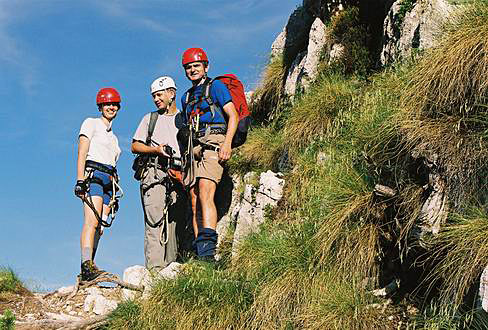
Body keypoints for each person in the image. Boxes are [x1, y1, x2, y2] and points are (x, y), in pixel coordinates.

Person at [180, 48, 238, 261]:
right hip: (193, 147)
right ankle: (200, 250)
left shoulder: (216, 87)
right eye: (188, 67)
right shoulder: (186, 97)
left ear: (206, 66)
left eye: (196, 65)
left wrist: (227, 144)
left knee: (205, 191)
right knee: (194, 199)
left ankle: (208, 253)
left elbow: (233, 115)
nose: (192, 70)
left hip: (214, 141)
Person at [132, 76, 187, 271]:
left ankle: (171, 267)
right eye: (154, 96)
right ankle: (155, 269)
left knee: (175, 222)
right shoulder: (150, 119)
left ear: (171, 94)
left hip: (178, 175)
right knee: (154, 219)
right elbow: (135, 146)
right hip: (154, 172)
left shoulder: (183, 119)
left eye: (159, 95)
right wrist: (156, 150)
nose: (156, 99)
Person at [74, 87, 122, 281]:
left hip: (110, 181)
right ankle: (86, 266)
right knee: (91, 222)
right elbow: (82, 153)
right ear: (100, 106)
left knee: (100, 227)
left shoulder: (115, 138)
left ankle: (90, 266)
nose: (111, 107)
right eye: (107, 104)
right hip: (93, 174)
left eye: (114, 104)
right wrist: (79, 180)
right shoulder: (90, 123)